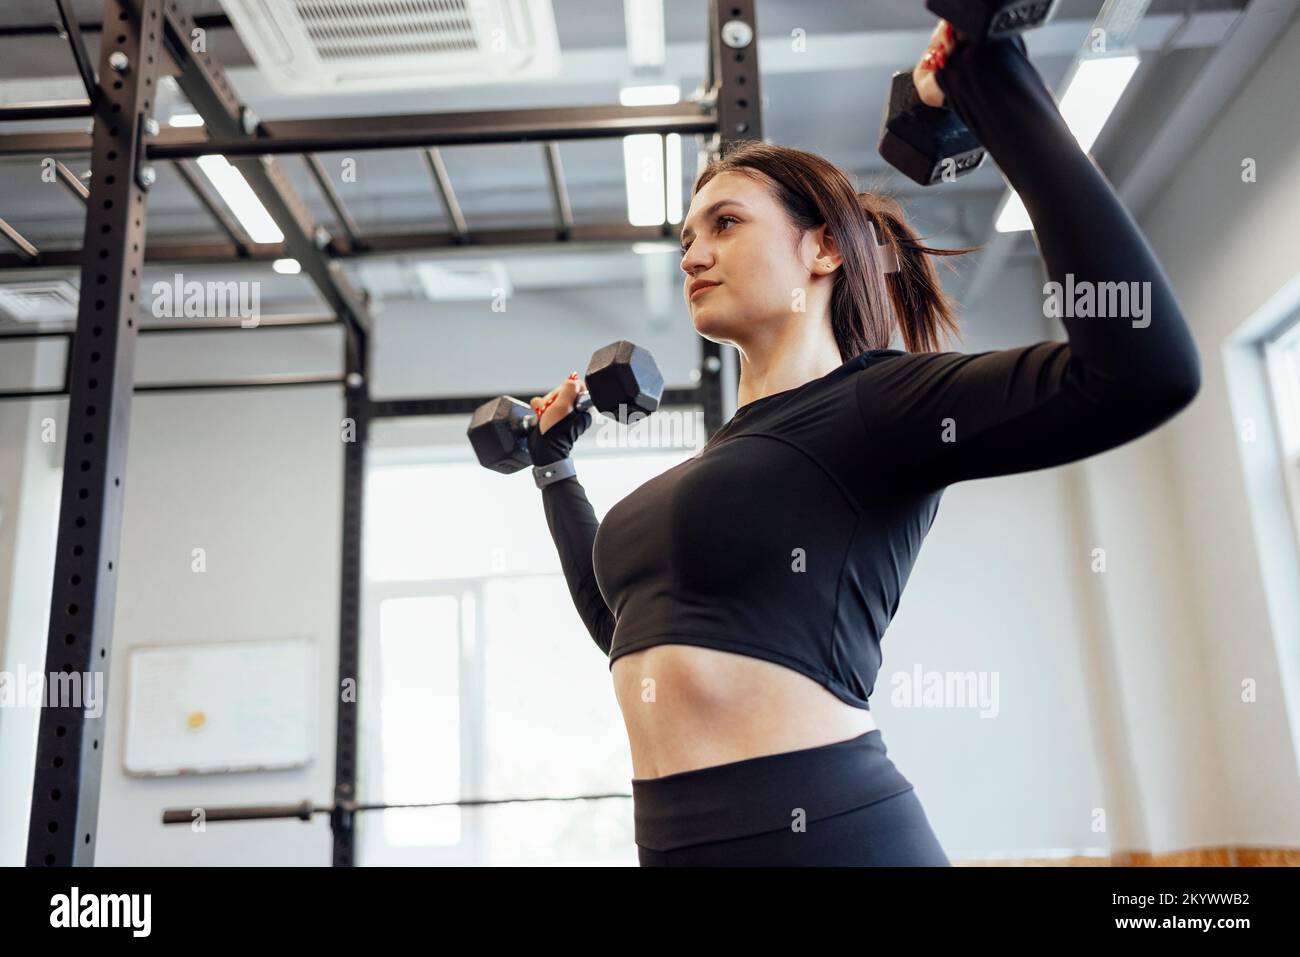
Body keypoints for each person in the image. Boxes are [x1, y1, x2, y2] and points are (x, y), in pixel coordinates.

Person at [524, 20, 1201, 866]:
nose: (693, 251)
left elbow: (1144, 370)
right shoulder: (723, 463)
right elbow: (623, 627)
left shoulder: (879, 403)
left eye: (725, 223)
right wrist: (556, 473)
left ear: (825, 249)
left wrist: (992, 79)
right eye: (688, 235)